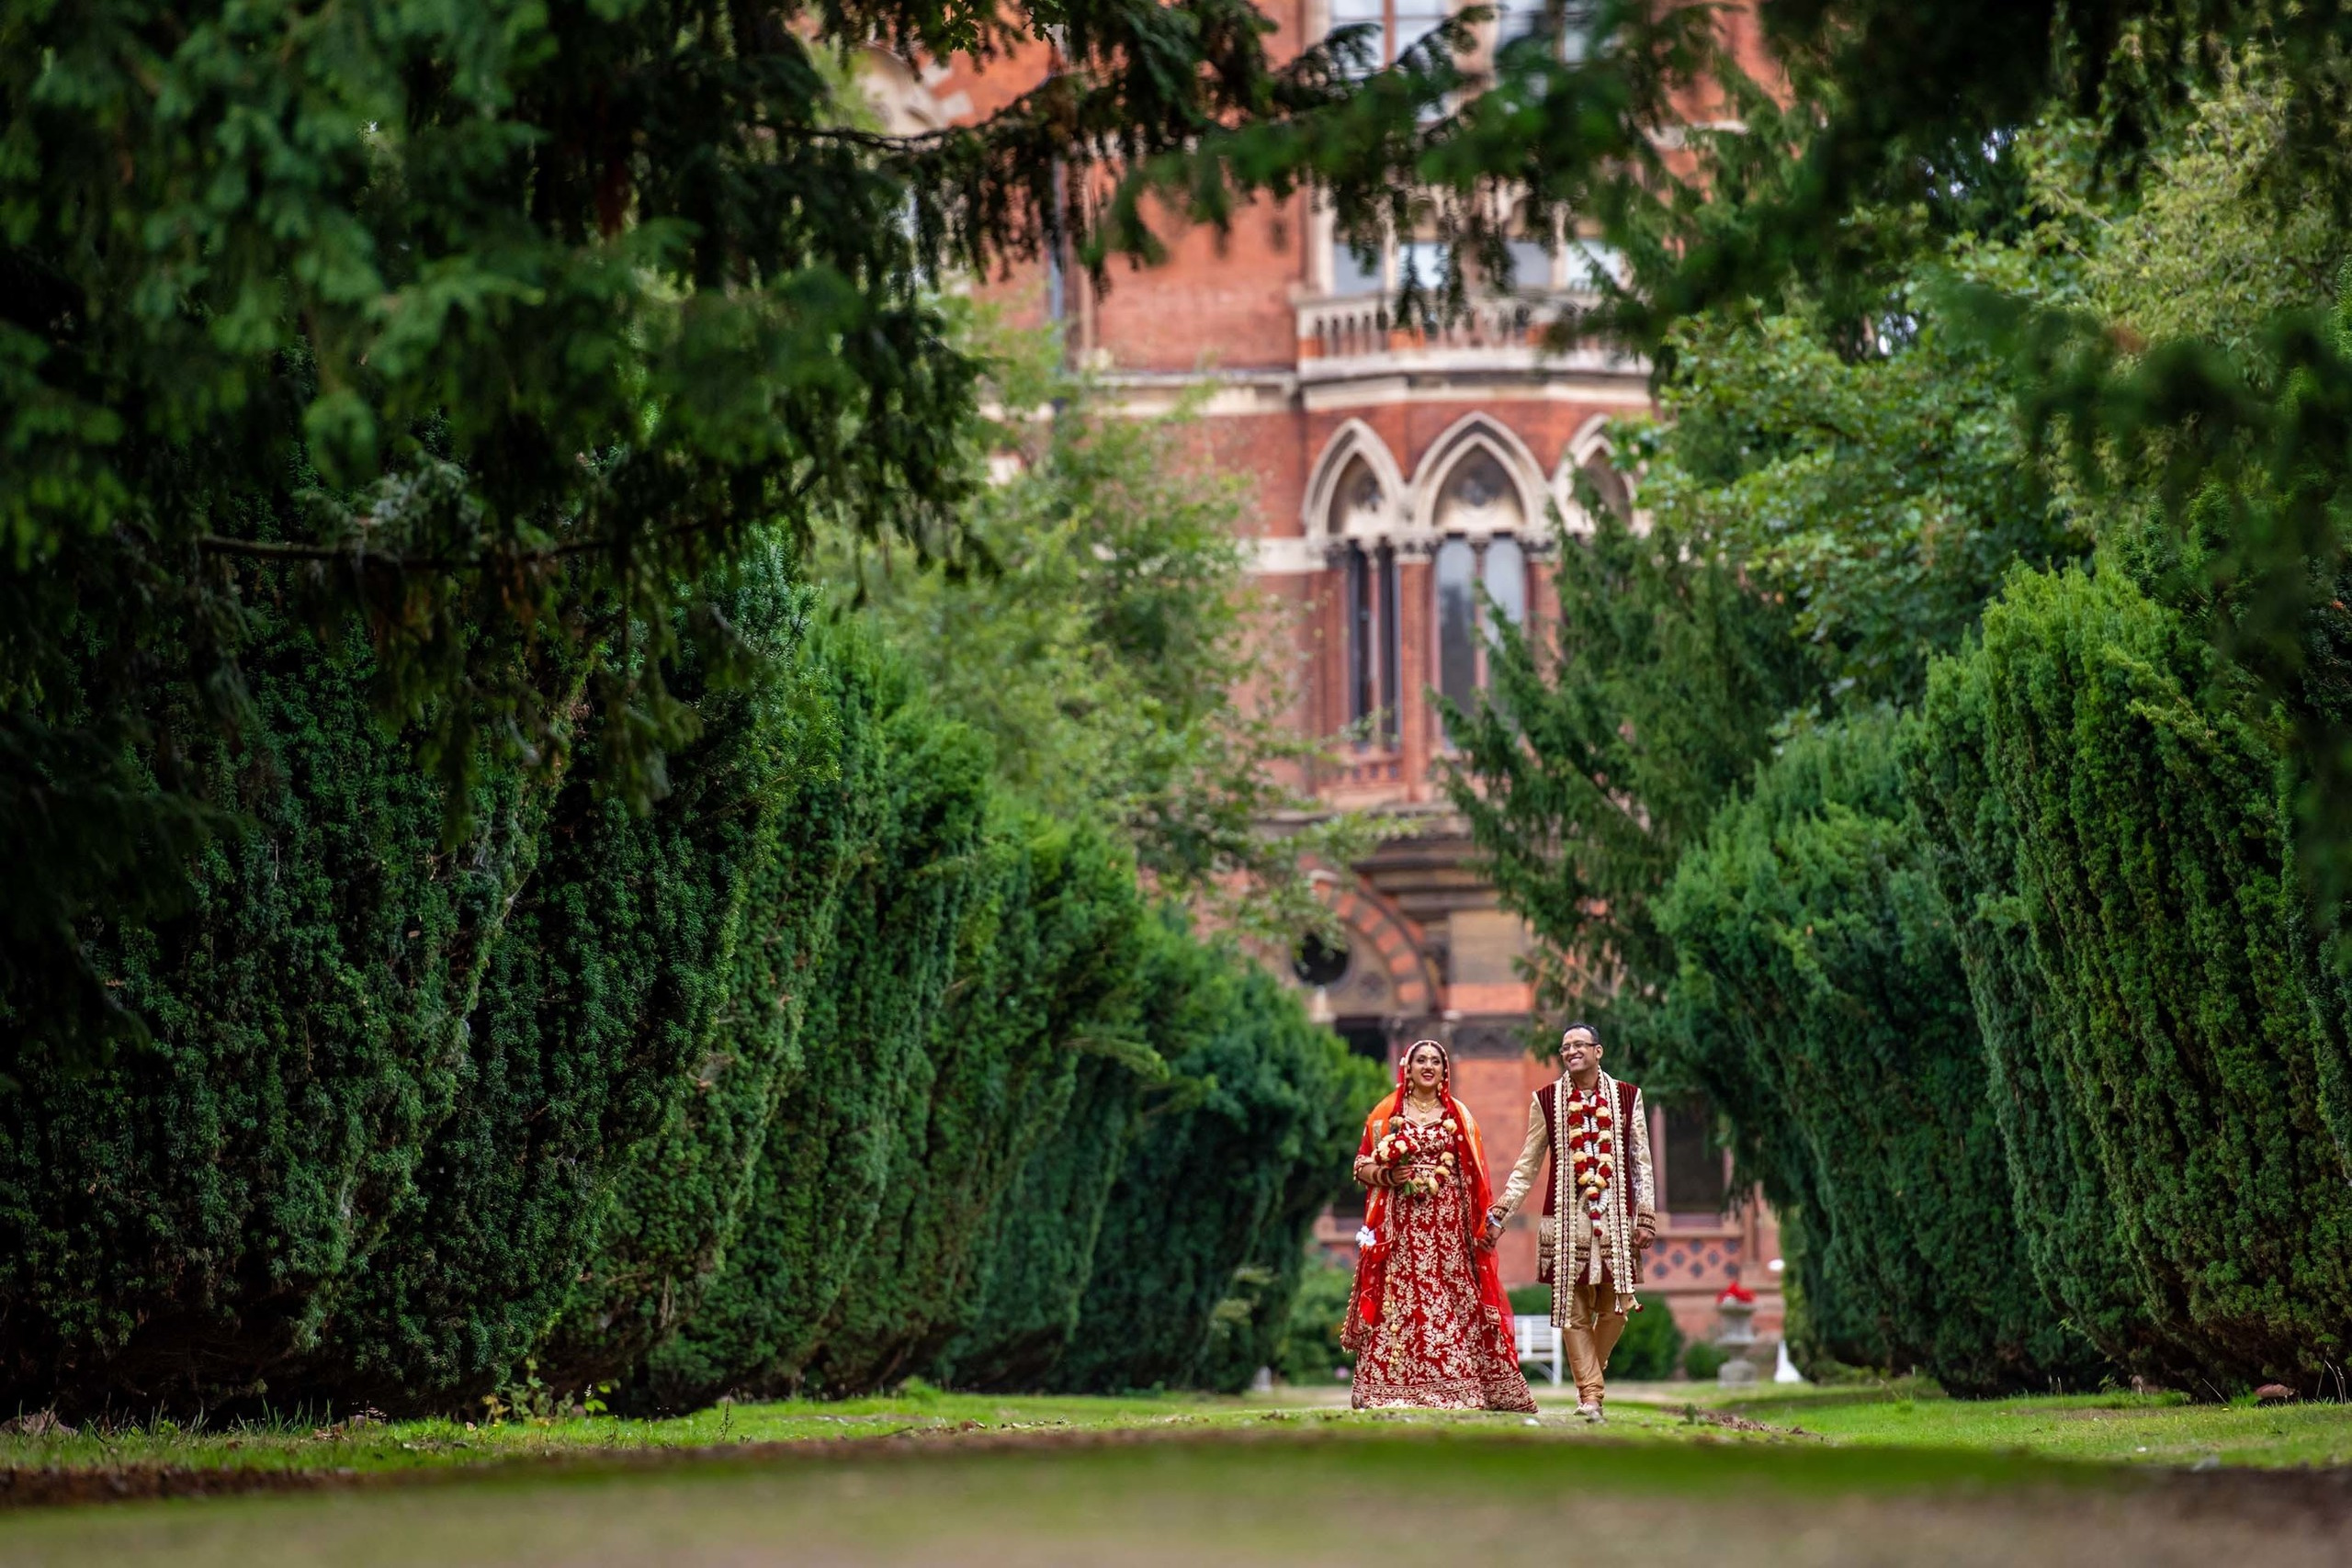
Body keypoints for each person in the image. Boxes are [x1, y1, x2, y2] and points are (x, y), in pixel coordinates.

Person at [1342, 1039, 1537, 1413]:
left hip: (1449, 1229)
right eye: (1421, 1060)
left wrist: (1480, 1225)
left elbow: (1475, 1176)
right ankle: (1389, 1389)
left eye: (1435, 1060)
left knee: (1451, 1298)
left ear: (1444, 1070)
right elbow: (1360, 1165)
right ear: (1408, 1067)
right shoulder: (1387, 1112)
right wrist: (1387, 1174)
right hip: (1401, 1229)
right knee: (1399, 1302)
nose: (1428, 1066)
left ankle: (1462, 1386)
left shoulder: (1459, 1115)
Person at [1485, 1022, 1656, 1421]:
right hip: (1565, 1223)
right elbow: (1527, 1165)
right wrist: (1502, 1212)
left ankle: (1591, 1377)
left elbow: (1640, 1161)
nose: (1572, 1051)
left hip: (1617, 1222)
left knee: (1617, 1307)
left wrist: (1645, 1216)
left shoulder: (1629, 1097)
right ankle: (1591, 1397)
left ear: (1599, 1051)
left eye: (1580, 1045)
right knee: (1573, 1313)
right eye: (1565, 1047)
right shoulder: (1545, 1100)